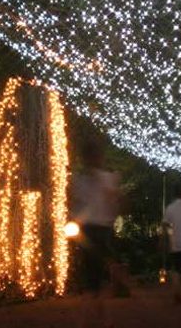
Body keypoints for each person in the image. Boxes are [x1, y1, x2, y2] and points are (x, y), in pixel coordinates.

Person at [71, 140, 121, 328]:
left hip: (97, 230)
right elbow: (74, 203)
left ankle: (97, 319)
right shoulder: (82, 180)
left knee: (94, 276)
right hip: (92, 230)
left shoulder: (102, 179)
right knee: (94, 276)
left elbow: (115, 202)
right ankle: (96, 319)